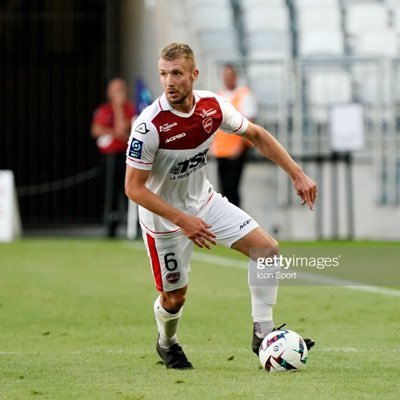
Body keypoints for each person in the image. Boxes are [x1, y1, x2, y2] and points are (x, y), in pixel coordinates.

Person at [125, 43, 317, 370]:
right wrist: (182, 220)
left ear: (194, 74)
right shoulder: (149, 127)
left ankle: (263, 332)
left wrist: (296, 174)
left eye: (176, 74)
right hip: (164, 222)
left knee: (266, 250)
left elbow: (256, 134)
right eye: (163, 74)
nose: (169, 82)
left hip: (205, 202)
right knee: (175, 299)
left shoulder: (212, 108)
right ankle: (167, 343)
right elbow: (133, 188)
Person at [91, 78, 136, 238]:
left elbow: (123, 128)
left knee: (128, 190)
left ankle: (132, 225)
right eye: (114, 90)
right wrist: (113, 133)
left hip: (125, 157)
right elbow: (96, 129)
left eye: (120, 89)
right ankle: (110, 226)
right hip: (108, 158)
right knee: (108, 191)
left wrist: (118, 108)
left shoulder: (130, 109)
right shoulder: (103, 110)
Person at [211, 64, 257, 207]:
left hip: (237, 151)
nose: (227, 79)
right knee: (224, 191)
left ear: (235, 77)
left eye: (230, 76)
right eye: (225, 76)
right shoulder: (219, 96)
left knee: (233, 189)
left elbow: (250, 123)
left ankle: (237, 224)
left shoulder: (244, 94)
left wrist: (241, 146)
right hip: (221, 151)